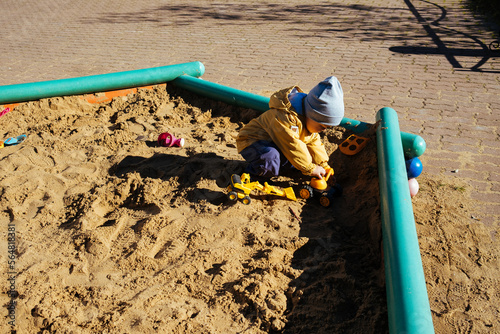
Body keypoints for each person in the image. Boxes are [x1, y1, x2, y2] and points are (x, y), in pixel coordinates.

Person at [236, 76, 344, 179]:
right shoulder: (285, 118)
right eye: (322, 125)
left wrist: (323, 165)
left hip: (275, 141)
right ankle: (253, 176)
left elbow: (313, 142)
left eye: (327, 127)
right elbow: (292, 145)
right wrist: (310, 168)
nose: (323, 130)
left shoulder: (307, 119)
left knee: (295, 160)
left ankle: (275, 167)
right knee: (270, 158)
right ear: (311, 114)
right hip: (252, 141)